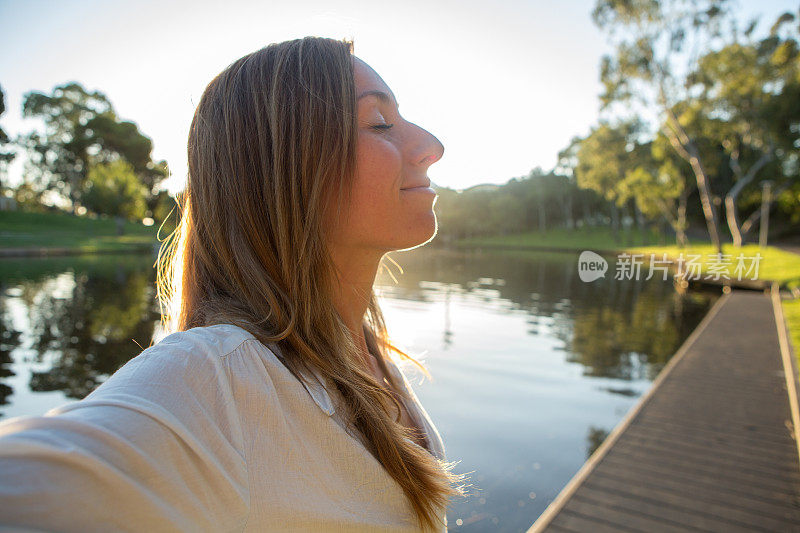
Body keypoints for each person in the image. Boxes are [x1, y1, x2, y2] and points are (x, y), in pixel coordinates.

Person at [0, 37, 468, 532]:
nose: (431, 147)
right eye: (379, 123)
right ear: (282, 166)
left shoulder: (363, 350)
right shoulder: (219, 376)